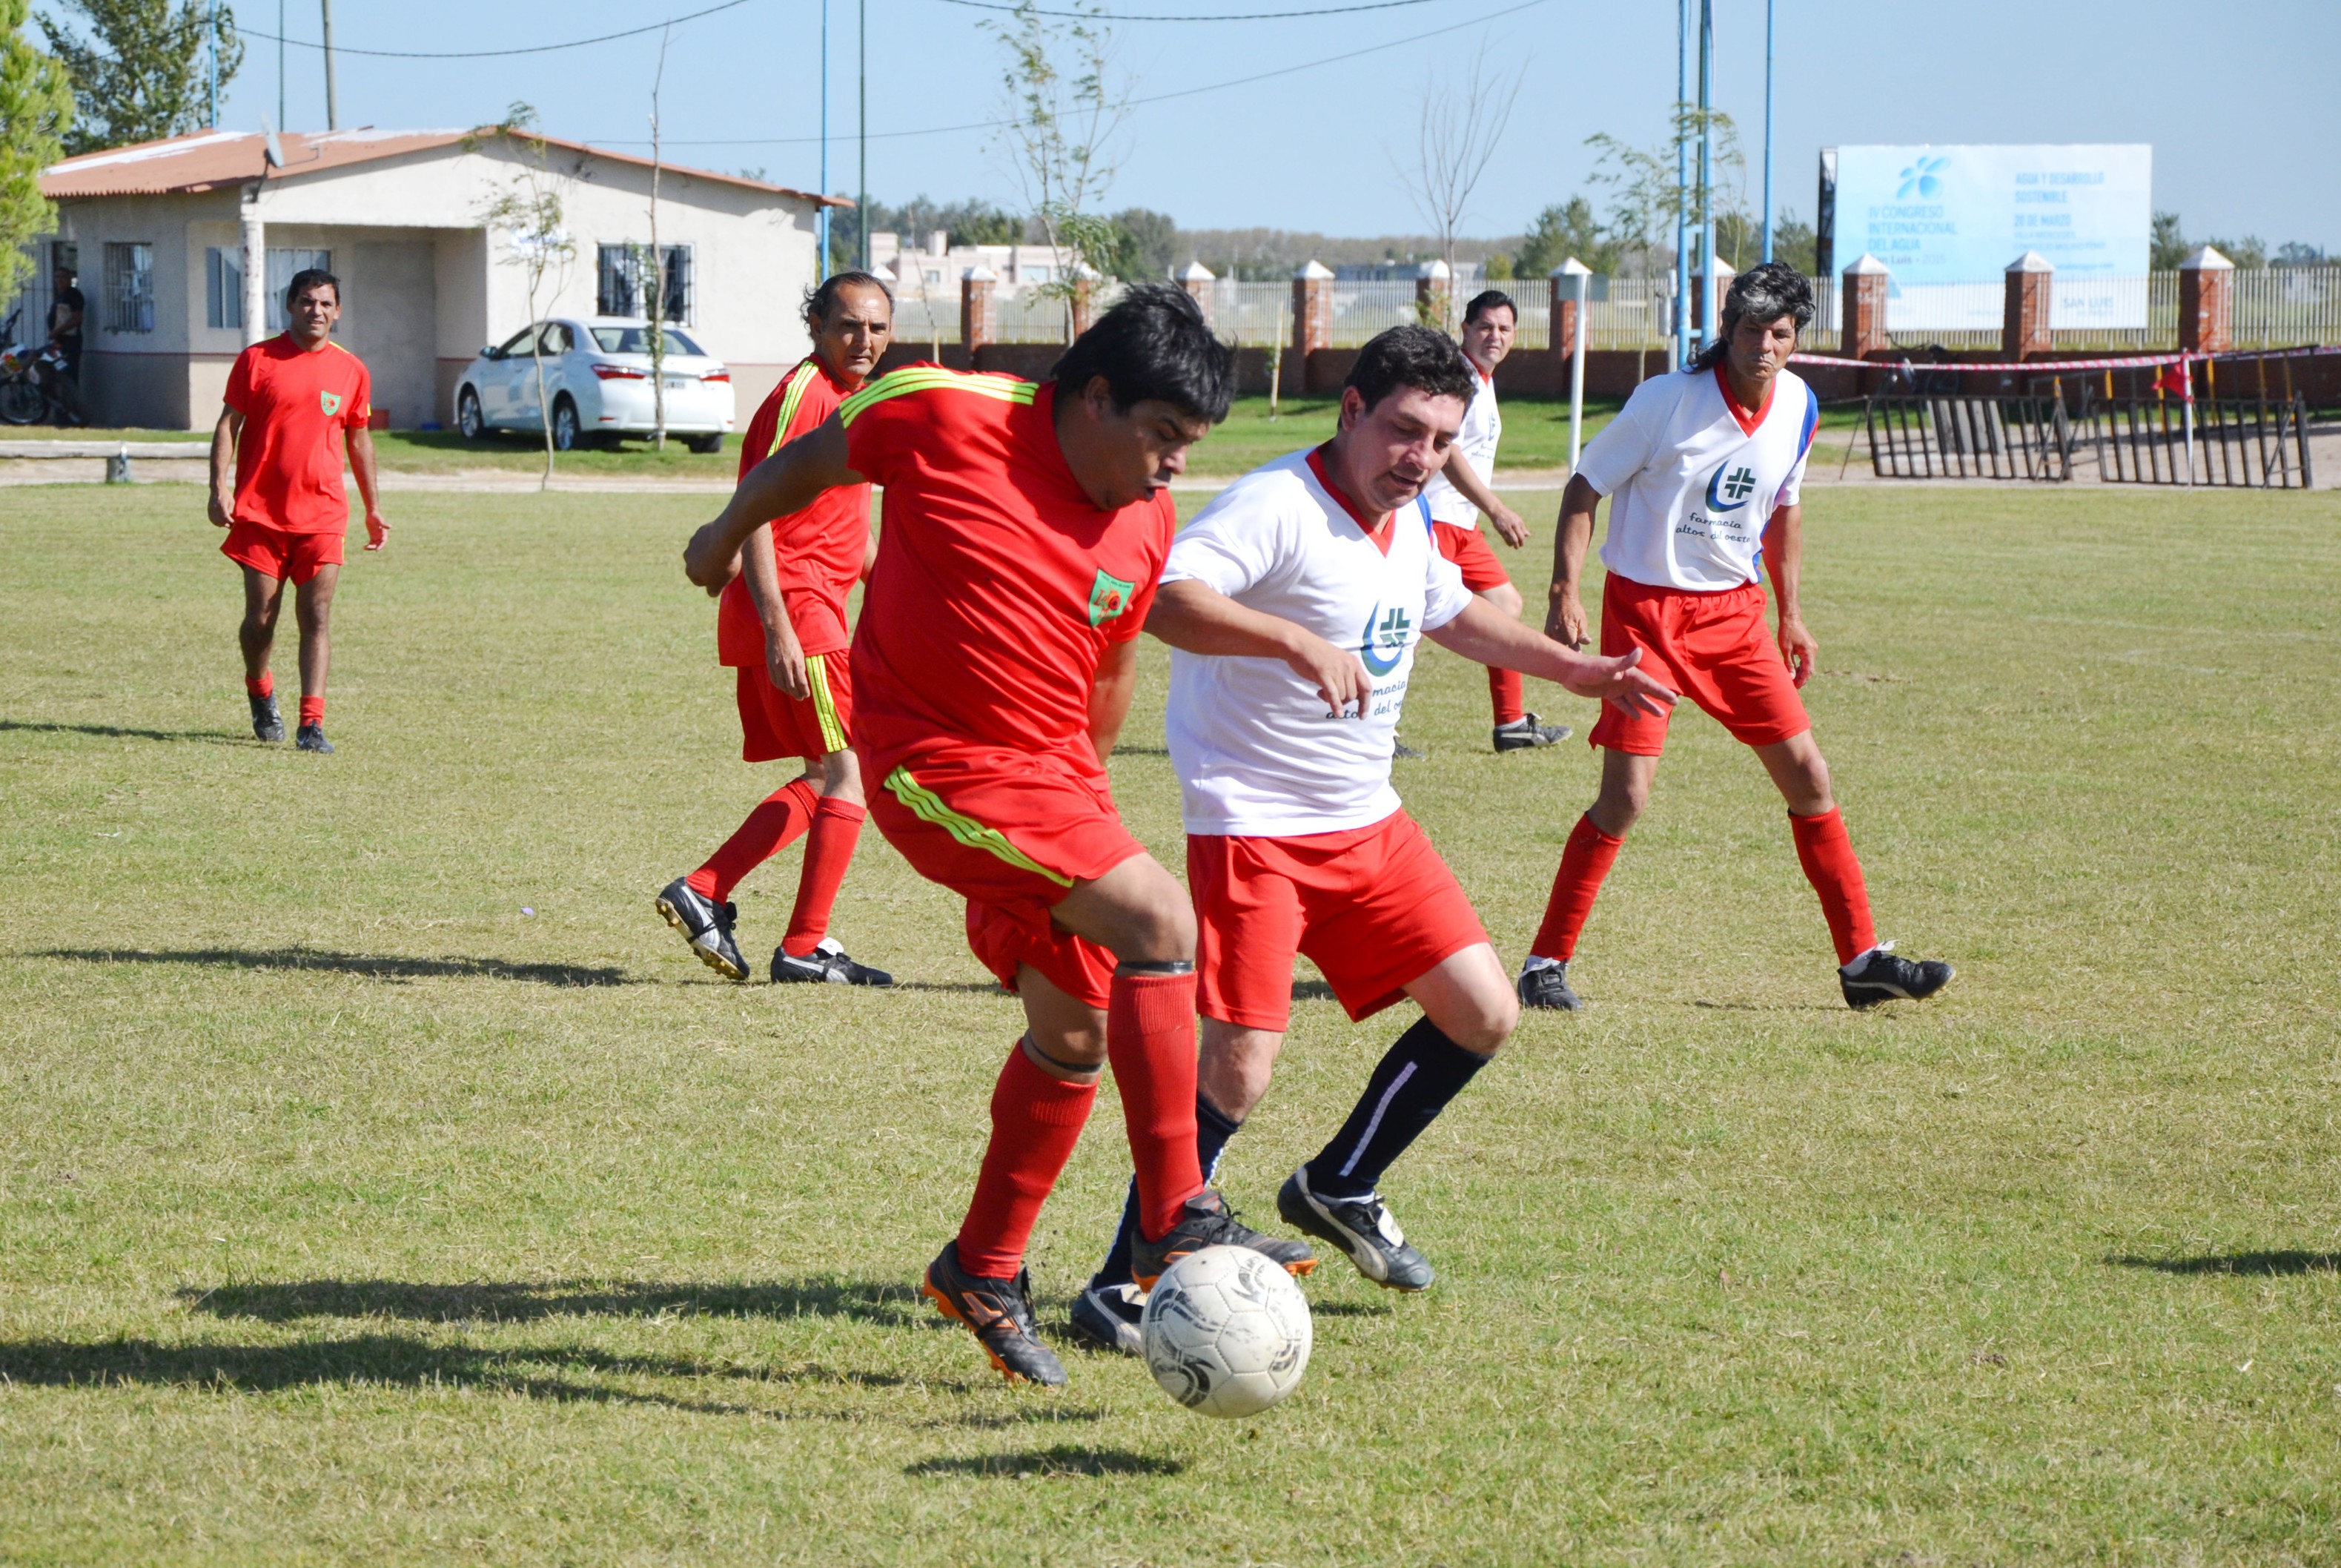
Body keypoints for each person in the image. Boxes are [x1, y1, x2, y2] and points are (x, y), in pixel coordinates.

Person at [683, 286, 1308, 1387]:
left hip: (1058, 786)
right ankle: (1174, 1215)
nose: (1170, 470)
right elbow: (808, 465)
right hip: (932, 762)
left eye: (1186, 449)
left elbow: (1108, 666)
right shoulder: (942, 411)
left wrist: (1092, 813)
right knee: (1167, 919)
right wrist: (723, 535)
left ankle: (981, 1265)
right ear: (1095, 396)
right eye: (1159, 439)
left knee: (1072, 1033)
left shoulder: (1145, 516)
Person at [1066, 328, 1676, 1352]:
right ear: (1351, 412)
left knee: (1483, 1011)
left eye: (1439, 439)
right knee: (1239, 1067)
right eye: (1401, 430)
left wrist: (1573, 672)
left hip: (1367, 821)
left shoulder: (1412, 516)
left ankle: (1340, 1180)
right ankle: (1123, 1276)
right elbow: (1165, 596)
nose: (1419, 456)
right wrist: (1295, 639)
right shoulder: (1277, 504)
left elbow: (1451, 612)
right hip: (1255, 822)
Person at [1520, 262, 1954, 1012]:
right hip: (1644, 618)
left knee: (1809, 777)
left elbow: (1784, 510)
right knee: (1623, 799)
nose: (1763, 346)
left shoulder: (1798, 407)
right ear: (1727, 329)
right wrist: (1564, 589)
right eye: (1750, 330)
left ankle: (1861, 963)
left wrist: (1789, 613)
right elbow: (1584, 486)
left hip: (1733, 619)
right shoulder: (1665, 401)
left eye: (1779, 333)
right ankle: (1541, 965)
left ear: (1795, 340)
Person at [655, 272, 895, 988]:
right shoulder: (806, 395)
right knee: (850, 772)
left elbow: (847, 525)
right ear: (816, 324)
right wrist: (779, 627)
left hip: (818, 607)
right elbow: (753, 510)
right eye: (850, 326)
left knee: (826, 774)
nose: (865, 341)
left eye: (878, 328)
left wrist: (887, 597)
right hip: (796, 609)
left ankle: (711, 889)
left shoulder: (853, 397)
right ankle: (801, 942)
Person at [208, 268, 386, 753]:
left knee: (318, 615)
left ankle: (312, 725)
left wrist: (373, 508)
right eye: (308, 302)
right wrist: (218, 487)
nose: (317, 312)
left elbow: (359, 437)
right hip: (261, 514)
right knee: (261, 620)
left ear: (338, 311)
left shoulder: (352, 370)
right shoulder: (257, 360)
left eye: (327, 304)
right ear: (289, 305)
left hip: (324, 516)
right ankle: (260, 687)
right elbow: (229, 425)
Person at [1414, 289, 1567, 752]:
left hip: (1463, 526)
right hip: (1437, 521)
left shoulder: (1482, 379)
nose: (1494, 336)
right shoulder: (1460, 377)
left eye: (1504, 328)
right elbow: (1449, 450)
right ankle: (1376, 728)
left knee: (1506, 606)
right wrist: (1497, 508)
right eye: (1485, 326)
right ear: (1465, 329)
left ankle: (1511, 724)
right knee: (1407, 623)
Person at [44, 262, 86, 426]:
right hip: (59, 344)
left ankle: (73, 416)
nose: (60, 280)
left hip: (70, 343)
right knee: (57, 377)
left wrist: (57, 331)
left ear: (70, 279)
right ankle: (61, 413)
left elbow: (76, 318)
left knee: (69, 378)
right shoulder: (60, 297)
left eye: (63, 277)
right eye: (57, 277)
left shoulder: (73, 295)